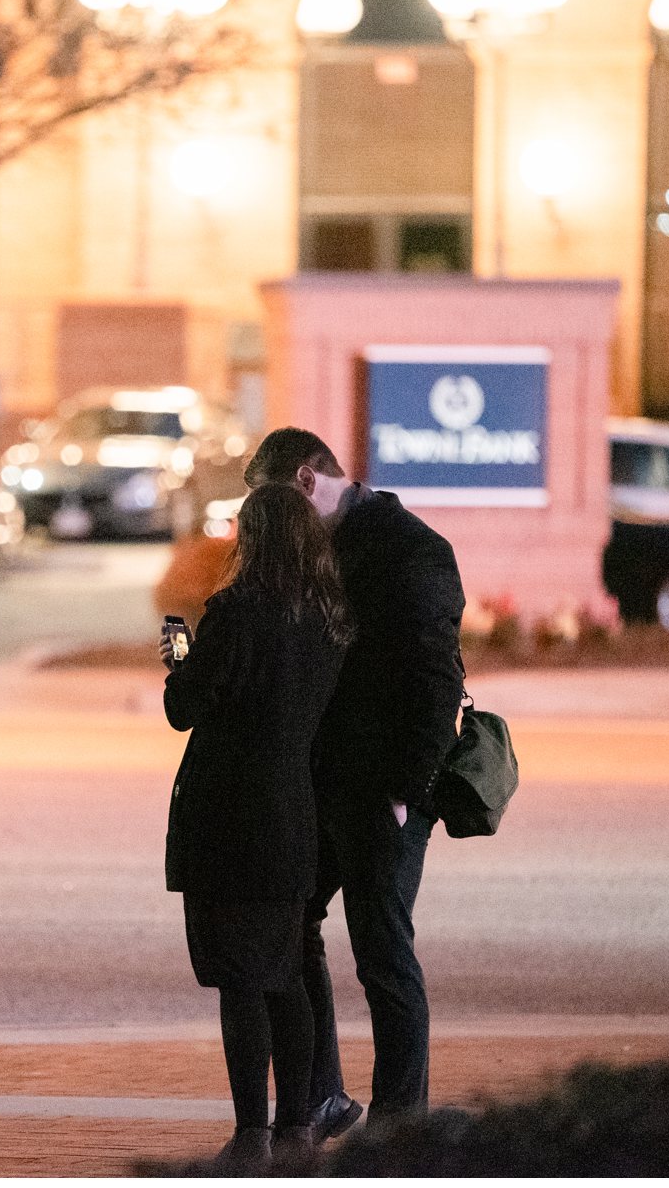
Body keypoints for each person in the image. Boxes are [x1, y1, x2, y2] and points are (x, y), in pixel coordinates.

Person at [243, 427, 466, 1131]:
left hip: (384, 791)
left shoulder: (411, 550)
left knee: (381, 953)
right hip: (324, 781)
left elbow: (437, 684)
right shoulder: (319, 549)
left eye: (278, 502)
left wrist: (403, 793)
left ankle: (402, 1129)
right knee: (292, 922)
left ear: (308, 481)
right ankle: (321, 1095)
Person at [160, 484, 356, 1171]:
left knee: (240, 980)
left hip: (230, 814)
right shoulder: (329, 619)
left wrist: (179, 660)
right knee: (286, 975)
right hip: (293, 810)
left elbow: (187, 707)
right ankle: (297, 1124)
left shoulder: (237, 615)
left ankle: (250, 1133)